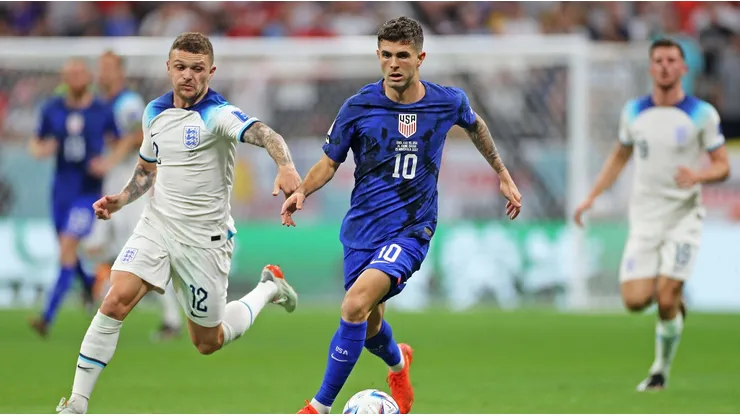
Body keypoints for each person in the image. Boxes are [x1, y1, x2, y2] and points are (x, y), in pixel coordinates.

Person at [281, 17, 522, 415]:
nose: (394, 64)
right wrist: (302, 191)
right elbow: (329, 162)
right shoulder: (358, 107)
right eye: (387, 55)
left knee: (353, 306)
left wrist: (502, 172)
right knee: (369, 326)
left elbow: (476, 125)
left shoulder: (446, 101)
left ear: (420, 58)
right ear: (378, 55)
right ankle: (399, 363)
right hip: (362, 230)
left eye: (403, 56)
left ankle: (319, 406)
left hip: (411, 229)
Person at [55, 32, 302, 414]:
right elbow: (146, 169)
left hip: (204, 241)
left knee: (207, 341)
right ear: (168, 68)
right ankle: (76, 403)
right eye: (181, 67)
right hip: (157, 225)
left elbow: (267, 134)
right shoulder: (153, 112)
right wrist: (121, 199)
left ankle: (268, 288)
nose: (188, 75)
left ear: (211, 72)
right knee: (116, 299)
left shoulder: (218, 114)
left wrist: (285, 165)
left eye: (197, 68)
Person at [574, 38, 730, 391]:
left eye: (671, 60)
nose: (665, 66)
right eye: (658, 60)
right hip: (645, 219)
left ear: (683, 68)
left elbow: (722, 166)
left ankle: (660, 371)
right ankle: (674, 305)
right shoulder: (634, 112)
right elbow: (619, 156)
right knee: (634, 300)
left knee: (666, 296)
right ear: (650, 67)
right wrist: (592, 197)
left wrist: (698, 176)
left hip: (683, 218)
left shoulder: (702, 114)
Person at [83, 50, 183, 340]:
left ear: (120, 72)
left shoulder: (127, 102)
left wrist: (111, 160)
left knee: (141, 250)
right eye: (101, 67)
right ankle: (104, 301)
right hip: (115, 180)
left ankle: (171, 317)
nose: (102, 73)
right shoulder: (104, 102)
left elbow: (139, 136)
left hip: (131, 179)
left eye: (108, 68)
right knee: (105, 245)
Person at [28, 58, 125, 337]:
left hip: (87, 193)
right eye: (70, 73)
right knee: (66, 251)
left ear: (89, 77)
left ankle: (46, 317)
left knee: (68, 247)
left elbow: (120, 142)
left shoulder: (101, 110)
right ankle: (89, 285)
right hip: (60, 191)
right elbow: (36, 141)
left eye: (80, 72)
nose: (75, 77)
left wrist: (108, 162)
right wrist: (41, 150)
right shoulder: (52, 109)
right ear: (64, 78)